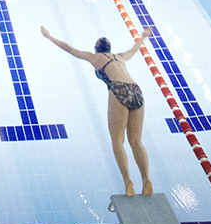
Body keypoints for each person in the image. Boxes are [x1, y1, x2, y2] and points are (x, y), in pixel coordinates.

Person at [41, 25, 154, 196]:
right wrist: (143, 35)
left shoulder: (94, 58)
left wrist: (49, 37)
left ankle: (127, 181)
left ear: (96, 48)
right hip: (136, 90)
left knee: (117, 141)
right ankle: (146, 179)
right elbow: (134, 48)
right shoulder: (120, 56)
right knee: (136, 141)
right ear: (110, 48)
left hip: (118, 89)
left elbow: (69, 49)